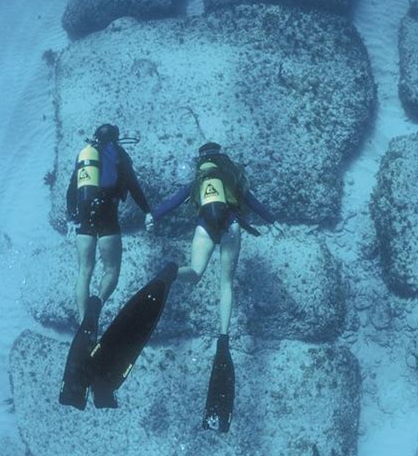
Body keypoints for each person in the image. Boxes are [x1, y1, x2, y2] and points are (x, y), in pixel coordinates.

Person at [145, 142, 281, 340]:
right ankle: (223, 336)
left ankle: (171, 272)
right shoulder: (230, 176)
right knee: (226, 283)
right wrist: (272, 220)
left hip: (204, 226)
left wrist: (153, 216)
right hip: (230, 225)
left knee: (195, 272)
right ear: (221, 158)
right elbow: (252, 202)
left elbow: (173, 201)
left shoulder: (197, 181)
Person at [66, 123, 151, 324]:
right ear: (116, 138)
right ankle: (97, 305)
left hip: (85, 214)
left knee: (84, 270)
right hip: (108, 213)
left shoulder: (85, 155)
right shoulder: (119, 155)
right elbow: (133, 186)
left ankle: (82, 320)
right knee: (111, 270)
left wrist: (72, 217)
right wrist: (147, 211)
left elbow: (71, 190)